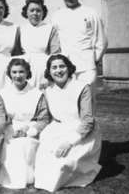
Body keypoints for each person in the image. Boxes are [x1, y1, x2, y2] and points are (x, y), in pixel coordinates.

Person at [34, 54, 102, 192]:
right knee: (48, 160)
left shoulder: (82, 87)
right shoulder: (48, 90)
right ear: (49, 71)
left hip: (82, 132)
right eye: (54, 67)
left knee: (64, 164)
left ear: (69, 68)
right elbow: (45, 117)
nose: (58, 71)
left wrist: (70, 142)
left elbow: (88, 121)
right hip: (58, 129)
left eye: (62, 66)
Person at [0, 58, 51, 189]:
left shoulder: (36, 94)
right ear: (9, 74)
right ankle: (13, 178)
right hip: (10, 128)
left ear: (27, 73)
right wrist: (9, 130)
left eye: (21, 72)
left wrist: (30, 130)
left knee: (26, 143)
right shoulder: (3, 93)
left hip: (31, 128)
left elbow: (43, 118)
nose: (18, 75)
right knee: (14, 146)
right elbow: (0, 117)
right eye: (14, 72)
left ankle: (29, 177)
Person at [52, 0, 107, 85]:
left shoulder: (91, 13)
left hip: (87, 68)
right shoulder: (56, 16)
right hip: (65, 69)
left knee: (87, 100)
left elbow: (102, 41)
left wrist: (93, 61)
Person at [20, 0, 61, 89]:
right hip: (25, 69)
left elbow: (55, 55)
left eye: (38, 10)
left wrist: (49, 77)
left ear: (43, 12)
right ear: (26, 12)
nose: (35, 13)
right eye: (32, 10)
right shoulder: (20, 29)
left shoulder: (50, 28)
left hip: (43, 69)